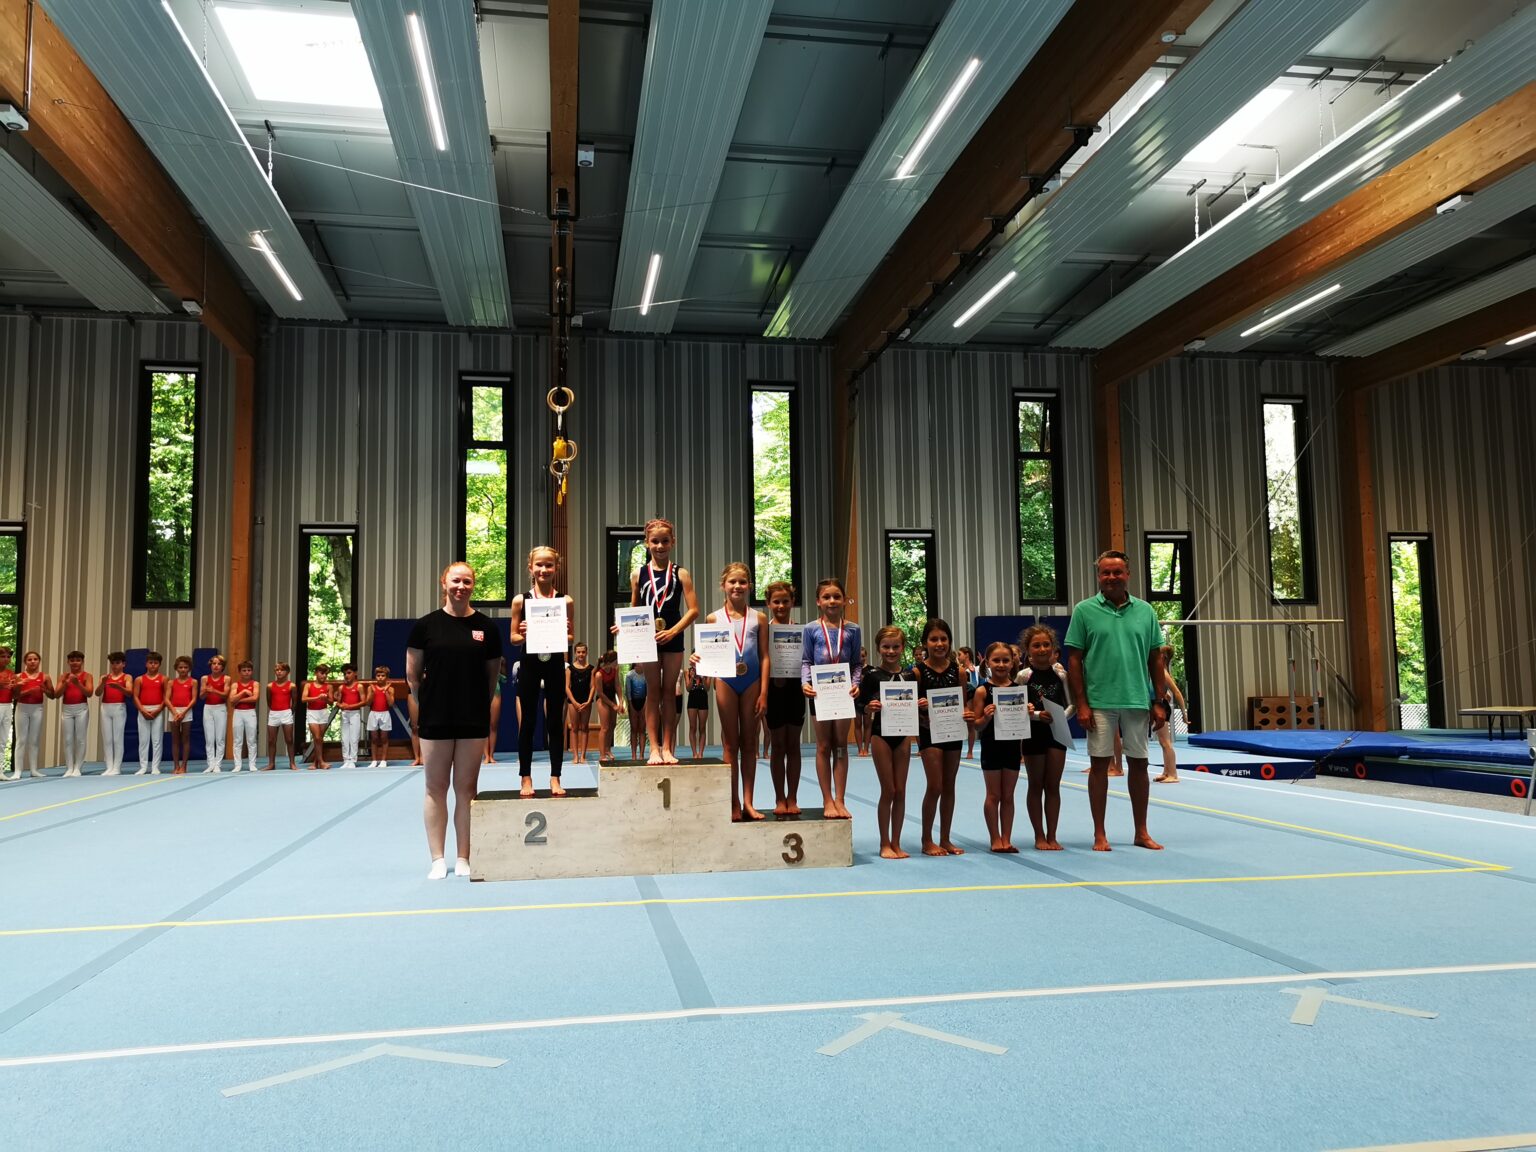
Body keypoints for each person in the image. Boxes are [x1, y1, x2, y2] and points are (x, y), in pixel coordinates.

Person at [1065, 549, 1167, 851]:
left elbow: (1155, 659)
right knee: (1100, 766)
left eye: (1117, 572)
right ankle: (1099, 832)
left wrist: (1159, 700)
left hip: (1136, 699)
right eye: (1105, 572)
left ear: (1127, 575)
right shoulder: (1084, 611)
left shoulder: (1146, 611)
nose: (1111, 577)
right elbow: (1074, 661)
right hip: (1099, 701)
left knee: (1139, 765)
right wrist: (1082, 703)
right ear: (1098, 576)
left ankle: (1141, 831)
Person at [407, 561, 503, 879]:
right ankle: (437, 858)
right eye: (455, 581)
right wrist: (431, 703)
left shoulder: (486, 628)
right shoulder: (426, 626)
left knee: (466, 788)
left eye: (467, 581)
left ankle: (463, 857)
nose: (461, 586)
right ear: (443, 583)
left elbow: (491, 678)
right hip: (435, 718)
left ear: (473, 585)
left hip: (472, 717)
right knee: (435, 787)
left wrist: (476, 703)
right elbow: (412, 677)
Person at [629, 518, 699, 765]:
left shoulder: (681, 573)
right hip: (647, 638)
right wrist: (626, 629)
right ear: (647, 543)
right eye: (655, 541)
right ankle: (653, 748)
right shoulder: (638, 573)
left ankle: (668, 746)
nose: (660, 546)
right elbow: (634, 608)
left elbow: (693, 610)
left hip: (673, 635)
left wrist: (674, 631)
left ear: (673, 542)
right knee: (653, 692)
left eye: (665, 541)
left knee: (670, 692)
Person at [701, 562, 768, 821]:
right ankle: (733, 803)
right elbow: (708, 654)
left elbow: (764, 657)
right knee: (730, 743)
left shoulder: (758, 618)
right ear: (723, 586)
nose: (737, 586)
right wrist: (699, 658)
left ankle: (749, 802)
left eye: (742, 582)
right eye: (732, 582)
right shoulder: (713, 618)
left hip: (751, 682)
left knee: (750, 743)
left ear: (749, 586)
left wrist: (764, 692)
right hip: (726, 681)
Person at [509, 545, 575, 797]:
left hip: (555, 663)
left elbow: (570, 637)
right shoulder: (521, 600)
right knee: (527, 722)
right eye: (539, 565)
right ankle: (525, 777)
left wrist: (565, 629)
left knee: (555, 723)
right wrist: (523, 632)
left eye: (549, 565)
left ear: (556, 568)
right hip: (530, 662)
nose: (544, 569)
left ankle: (555, 777)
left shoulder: (565, 601)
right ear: (531, 568)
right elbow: (513, 638)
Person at [800, 577, 860, 820]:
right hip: (820, 692)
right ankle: (827, 799)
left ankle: (840, 799)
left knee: (841, 746)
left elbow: (856, 663)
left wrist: (856, 684)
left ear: (844, 600)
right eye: (827, 597)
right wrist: (804, 682)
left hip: (844, 693)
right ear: (818, 601)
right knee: (824, 746)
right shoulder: (811, 629)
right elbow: (806, 660)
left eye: (837, 596)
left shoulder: (853, 629)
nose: (832, 601)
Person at [857, 625, 914, 858]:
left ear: (903, 647)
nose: (891, 651)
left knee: (901, 790)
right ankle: (884, 843)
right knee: (888, 789)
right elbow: (858, 704)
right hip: (881, 734)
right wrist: (868, 707)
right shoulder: (871, 675)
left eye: (895, 647)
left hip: (904, 736)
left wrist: (921, 706)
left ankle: (897, 842)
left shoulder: (911, 675)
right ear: (878, 648)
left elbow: (917, 704)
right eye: (886, 647)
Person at [914, 619, 966, 856]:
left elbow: (963, 704)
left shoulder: (960, 672)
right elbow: (906, 707)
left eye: (943, 639)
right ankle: (927, 839)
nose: (939, 643)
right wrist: (919, 706)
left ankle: (945, 838)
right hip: (928, 732)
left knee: (949, 786)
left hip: (952, 731)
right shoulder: (916, 672)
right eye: (934, 639)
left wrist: (966, 713)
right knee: (934, 785)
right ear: (925, 642)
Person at [1019, 625, 1069, 850]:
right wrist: (1038, 715)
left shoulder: (1061, 674)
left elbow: (1073, 704)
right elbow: (1015, 705)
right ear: (1028, 650)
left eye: (1046, 645)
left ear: (1053, 648)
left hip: (1057, 733)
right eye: (1036, 645)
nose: (1042, 649)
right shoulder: (1023, 676)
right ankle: (1039, 835)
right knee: (1036, 784)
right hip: (1033, 733)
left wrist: (1060, 717)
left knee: (1053, 785)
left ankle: (1052, 834)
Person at [762, 582, 805, 819]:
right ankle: (779, 797)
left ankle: (793, 797)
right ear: (768, 603)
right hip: (773, 692)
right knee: (778, 745)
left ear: (792, 603)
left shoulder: (801, 631)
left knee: (794, 745)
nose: (780, 606)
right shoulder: (763, 631)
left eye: (785, 601)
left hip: (796, 690)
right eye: (776, 602)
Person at [55, 650, 93, 777]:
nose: (75, 663)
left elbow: (89, 693)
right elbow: (56, 694)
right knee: (67, 739)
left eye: (78, 660)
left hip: (81, 708)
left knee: (80, 738)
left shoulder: (87, 676)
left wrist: (78, 684)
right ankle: (69, 767)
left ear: (82, 662)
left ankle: (78, 767)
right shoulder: (63, 676)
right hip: (67, 709)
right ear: (68, 662)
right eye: (72, 660)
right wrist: (66, 683)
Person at [13, 651, 50, 779]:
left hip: (37, 709)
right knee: (21, 740)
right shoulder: (19, 676)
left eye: (35, 659)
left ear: (39, 661)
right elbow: (15, 696)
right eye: (29, 659)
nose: (33, 661)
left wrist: (45, 690)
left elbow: (52, 695)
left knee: (34, 740)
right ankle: (18, 771)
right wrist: (28, 690)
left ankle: (34, 769)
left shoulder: (45, 677)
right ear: (25, 662)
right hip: (22, 708)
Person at [96, 651, 133, 777]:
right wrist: (102, 683)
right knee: (107, 739)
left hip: (119, 707)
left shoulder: (127, 677)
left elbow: (129, 692)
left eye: (117, 663)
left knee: (117, 738)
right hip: (105, 708)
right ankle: (109, 767)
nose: (115, 666)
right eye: (112, 663)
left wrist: (119, 687)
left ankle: (117, 767)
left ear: (123, 664)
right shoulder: (104, 677)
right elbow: (97, 693)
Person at [1153, 646, 1187, 784]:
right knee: (1162, 742)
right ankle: (1166, 771)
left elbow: (1177, 693)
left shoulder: (1162, 671)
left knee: (1166, 742)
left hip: (1162, 708)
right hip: (1159, 704)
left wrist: (1184, 714)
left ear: (1163, 657)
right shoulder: (1157, 670)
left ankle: (1173, 773)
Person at [133, 651, 167, 776]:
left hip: (157, 710)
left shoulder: (163, 679)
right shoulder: (139, 679)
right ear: (146, 664)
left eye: (156, 663)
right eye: (151, 663)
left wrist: (159, 710)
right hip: (143, 710)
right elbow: (135, 696)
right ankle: (143, 766)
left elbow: (166, 697)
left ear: (159, 665)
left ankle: (155, 767)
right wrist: (142, 710)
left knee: (157, 740)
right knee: (143, 740)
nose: (153, 665)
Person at [566, 643, 598, 766]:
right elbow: (567, 687)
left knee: (584, 728)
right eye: (578, 652)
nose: (581, 654)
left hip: (586, 701)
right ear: (575, 653)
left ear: (586, 653)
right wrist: (573, 702)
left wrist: (589, 701)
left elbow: (593, 686)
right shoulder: (569, 669)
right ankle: (575, 755)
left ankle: (583, 755)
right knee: (574, 728)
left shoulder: (591, 669)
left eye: (583, 652)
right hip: (573, 701)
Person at [166, 656, 198, 775]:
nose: (183, 669)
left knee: (185, 739)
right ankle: (176, 766)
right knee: (175, 739)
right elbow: (166, 699)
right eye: (180, 667)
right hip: (174, 711)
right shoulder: (171, 682)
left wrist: (183, 712)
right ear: (176, 669)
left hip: (186, 711)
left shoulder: (193, 682)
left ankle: (184, 766)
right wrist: (174, 712)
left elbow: (194, 699)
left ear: (189, 668)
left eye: (185, 667)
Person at [229, 660, 261, 772]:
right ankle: (237, 765)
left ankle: (252, 764)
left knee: (251, 740)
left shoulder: (255, 684)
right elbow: (231, 700)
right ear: (239, 672)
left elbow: (254, 698)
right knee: (237, 740)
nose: (246, 672)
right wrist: (243, 692)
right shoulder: (235, 685)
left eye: (249, 670)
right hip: (238, 713)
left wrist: (238, 699)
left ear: (252, 671)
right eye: (244, 670)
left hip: (250, 712)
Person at [200, 654, 228, 773]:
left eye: (219, 664)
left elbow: (225, 695)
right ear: (210, 665)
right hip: (208, 708)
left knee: (220, 738)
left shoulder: (226, 678)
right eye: (214, 664)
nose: (216, 666)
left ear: (222, 667)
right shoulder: (205, 678)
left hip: (220, 708)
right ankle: (210, 763)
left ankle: (218, 764)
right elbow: (201, 696)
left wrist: (214, 690)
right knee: (209, 738)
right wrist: (206, 691)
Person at [302, 664, 334, 771]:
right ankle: (321, 762)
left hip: (323, 712)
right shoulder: (309, 685)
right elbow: (304, 699)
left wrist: (326, 699)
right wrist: (317, 697)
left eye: (326, 674)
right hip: (312, 712)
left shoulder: (329, 686)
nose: (324, 676)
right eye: (322, 673)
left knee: (320, 738)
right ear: (316, 673)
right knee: (317, 737)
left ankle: (315, 763)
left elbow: (331, 702)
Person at [336, 663, 364, 770]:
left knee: (354, 738)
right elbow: (338, 702)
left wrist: (350, 706)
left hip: (354, 713)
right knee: (344, 738)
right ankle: (346, 760)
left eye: (349, 673)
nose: (346, 676)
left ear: (355, 673)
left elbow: (364, 701)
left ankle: (352, 760)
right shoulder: (341, 687)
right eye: (344, 674)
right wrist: (341, 705)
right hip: (345, 714)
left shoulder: (359, 686)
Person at [367, 665, 395, 769]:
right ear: (375, 677)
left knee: (384, 738)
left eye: (382, 675)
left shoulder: (390, 688)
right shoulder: (371, 688)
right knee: (374, 738)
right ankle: (374, 760)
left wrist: (386, 691)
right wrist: (373, 693)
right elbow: (367, 703)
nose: (380, 677)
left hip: (385, 713)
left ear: (386, 677)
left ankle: (383, 760)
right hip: (373, 713)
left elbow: (391, 703)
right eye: (378, 675)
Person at [595, 649, 619, 763]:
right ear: (611, 661)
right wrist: (612, 705)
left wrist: (621, 701)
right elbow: (600, 693)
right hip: (602, 700)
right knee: (605, 727)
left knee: (613, 725)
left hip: (612, 698)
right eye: (616, 661)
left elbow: (618, 686)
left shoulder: (615, 671)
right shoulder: (599, 674)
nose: (618, 663)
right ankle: (602, 754)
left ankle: (608, 749)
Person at [957, 646, 980, 759]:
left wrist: (971, 672)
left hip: (971, 697)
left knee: (970, 725)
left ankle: (970, 751)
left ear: (966, 654)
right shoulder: (958, 669)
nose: (958, 657)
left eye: (959, 654)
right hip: (959, 696)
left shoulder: (975, 669)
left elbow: (976, 685)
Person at [684, 660, 709, 762]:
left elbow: (707, 688)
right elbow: (688, 688)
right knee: (692, 727)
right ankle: (694, 753)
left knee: (702, 727)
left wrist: (702, 678)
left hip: (703, 698)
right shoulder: (688, 671)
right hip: (692, 699)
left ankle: (701, 753)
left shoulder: (707, 670)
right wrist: (692, 677)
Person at [853, 646, 875, 757]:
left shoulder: (871, 670)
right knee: (857, 724)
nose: (861, 658)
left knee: (867, 724)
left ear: (866, 656)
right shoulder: (853, 670)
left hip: (867, 699)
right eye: (859, 656)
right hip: (856, 699)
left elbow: (875, 686)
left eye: (863, 656)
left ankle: (866, 748)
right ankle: (859, 749)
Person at [624, 663, 648, 760]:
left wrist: (645, 706)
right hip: (633, 702)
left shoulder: (647, 674)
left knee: (642, 730)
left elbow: (648, 692)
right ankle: (633, 755)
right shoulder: (630, 675)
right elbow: (628, 692)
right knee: (634, 729)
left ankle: (641, 755)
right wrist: (631, 706)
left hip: (644, 702)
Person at [485, 658, 507, 765]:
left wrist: (502, 666)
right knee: (484, 725)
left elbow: (504, 679)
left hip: (495, 691)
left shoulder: (498, 658)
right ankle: (486, 756)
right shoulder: (478, 656)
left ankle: (491, 755)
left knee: (493, 725)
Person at [0, 646, 13, 780]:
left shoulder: (11, 673)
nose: (6, 659)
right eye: (3, 656)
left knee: (3, 740)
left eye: (8, 656)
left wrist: (18, 687)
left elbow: (14, 694)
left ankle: (0, 771)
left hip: (7, 705)